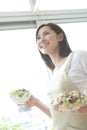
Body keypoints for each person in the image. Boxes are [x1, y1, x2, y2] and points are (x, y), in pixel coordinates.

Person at [25, 23, 87, 130]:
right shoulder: (54, 74)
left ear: (60, 37)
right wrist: (36, 102)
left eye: (46, 34)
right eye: (38, 38)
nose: (41, 40)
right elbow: (58, 118)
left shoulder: (78, 57)